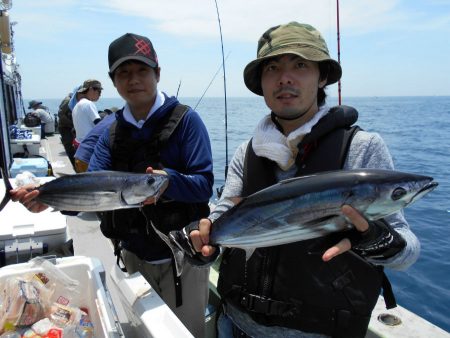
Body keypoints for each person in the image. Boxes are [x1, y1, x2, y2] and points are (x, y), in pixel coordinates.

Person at [190, 22, 420, 338]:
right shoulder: (248, 151)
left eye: (300, 64)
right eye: (272, 68)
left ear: (322, 75)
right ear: (262, 81)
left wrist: (378, 240)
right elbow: (223, 215)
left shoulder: (362, 148)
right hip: (234, 324)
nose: (285, 77)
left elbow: (407, 249)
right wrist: (202, 242)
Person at [11, 32, 214, 338]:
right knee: (145, 329)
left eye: (142, 70)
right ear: (114, 81)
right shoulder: (110, 131)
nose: (134, 80)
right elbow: (93, 189)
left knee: (184, 332)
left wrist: (168, 182)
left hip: (182, 257)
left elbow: (203, 185)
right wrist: (50, 199)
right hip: (132, 254)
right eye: (124, 73)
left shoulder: (187, 122)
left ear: (158, 73)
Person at [71, 79, 102, 156]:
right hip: (89, 147)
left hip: (79, 145)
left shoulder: (77, 106)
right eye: (99, 91)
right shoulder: (88, 104)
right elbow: (99, 125)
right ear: (91, 89)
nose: (100, 95)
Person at [57, 90, 77, 167]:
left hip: (68, 126)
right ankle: (71, 164)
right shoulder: (68, 100)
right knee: (69, 146)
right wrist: (71, 123)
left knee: (71, 145)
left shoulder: (71, 100)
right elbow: (61, 113)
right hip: (65, 126)